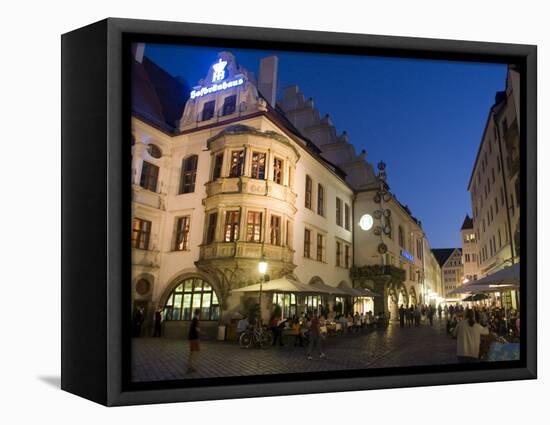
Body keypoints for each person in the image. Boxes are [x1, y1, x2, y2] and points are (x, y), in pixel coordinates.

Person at [187, 308, 201, 374]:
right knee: (194, 352)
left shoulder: (194, 319)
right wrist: (200, 331)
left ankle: (190, 365)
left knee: (193, 352)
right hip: (194, 338)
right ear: (198, 313)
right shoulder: (195, 319)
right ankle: (190, 366)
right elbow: (196, 328)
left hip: (193, 337)